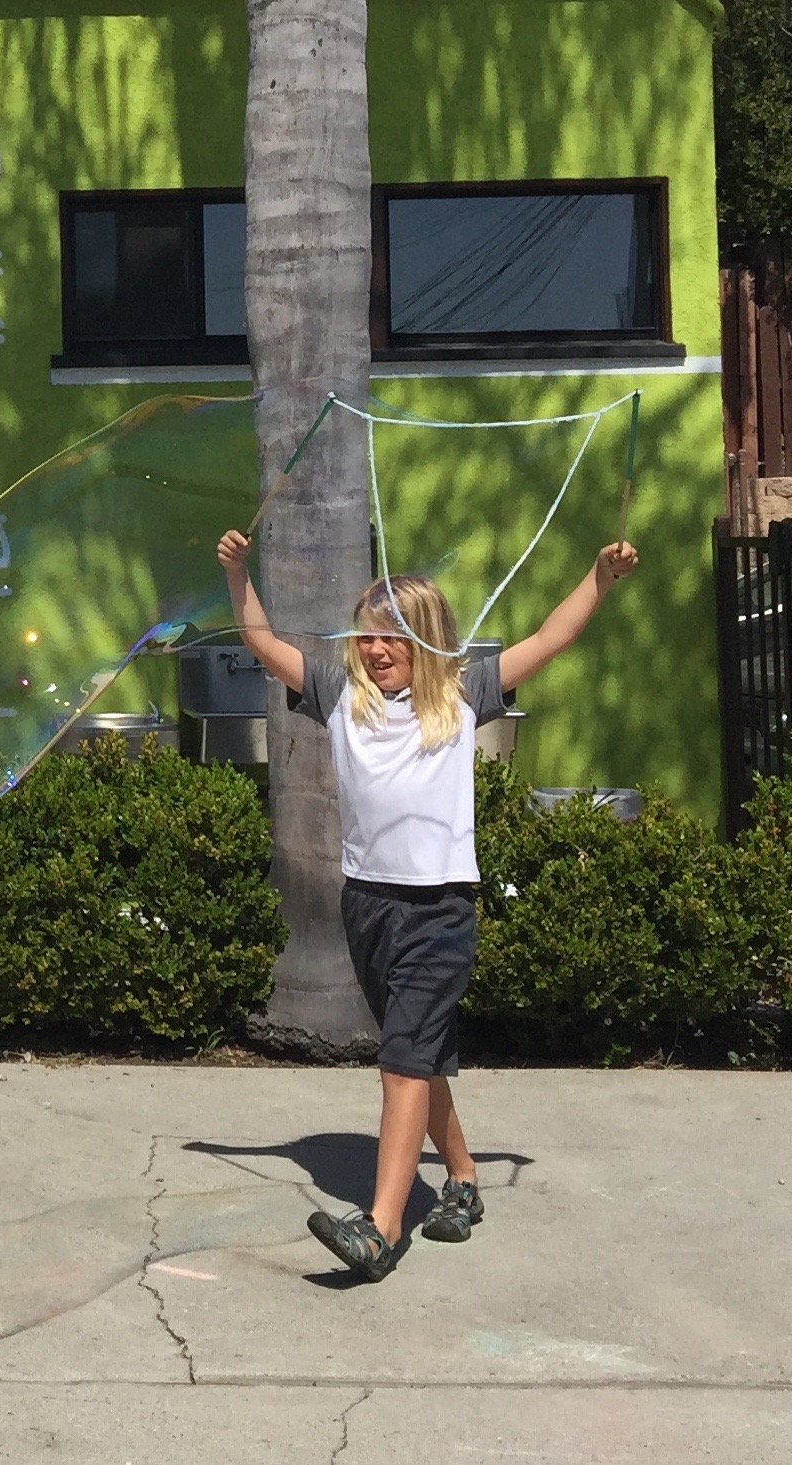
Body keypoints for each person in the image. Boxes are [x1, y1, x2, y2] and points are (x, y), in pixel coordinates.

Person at [214, 530, 639, 1281]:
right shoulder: (337, 696)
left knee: (400, 1062)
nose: (377, 649)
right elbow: (260, 640)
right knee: (424, 1058)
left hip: (440, 911)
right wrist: (237, 572)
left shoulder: (464, 696)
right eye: (368, 634)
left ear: (428, 639)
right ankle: (464, 1181)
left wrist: (598, 580)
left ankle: (379, 1231)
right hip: (367, 908)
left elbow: (550, 635)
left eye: (394, 635)